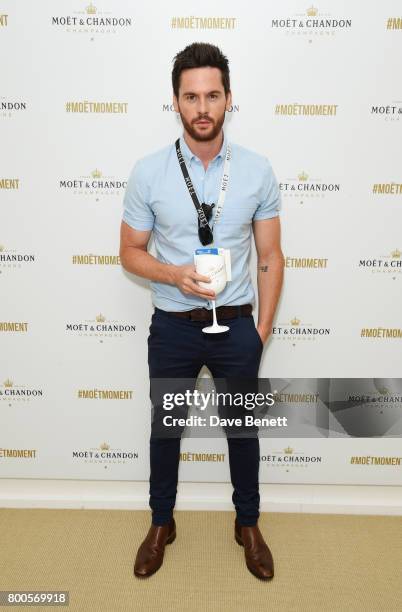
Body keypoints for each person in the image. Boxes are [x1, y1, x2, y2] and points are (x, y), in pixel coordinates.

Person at [120, 42, 284, 580]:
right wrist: (174, 275)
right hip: (172, 324)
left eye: (212, 95)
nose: (202, 107)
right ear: (176, 102)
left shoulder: (257, 171)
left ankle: (248, 524)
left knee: (243, 431)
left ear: (228, 99)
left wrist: (258, 331)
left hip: (236, 324)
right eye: (191, 96)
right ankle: (162, 522)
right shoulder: (148, 172)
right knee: (166, 430)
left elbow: (270, 256)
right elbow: (130, 252)